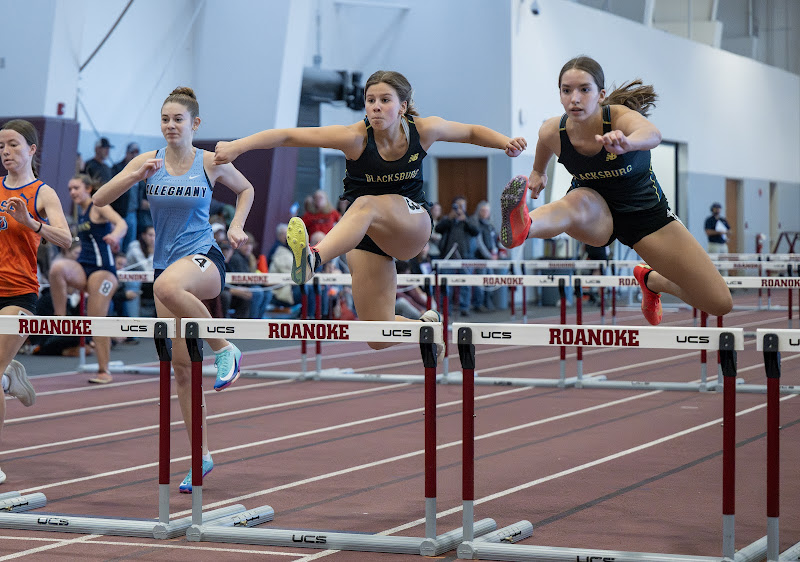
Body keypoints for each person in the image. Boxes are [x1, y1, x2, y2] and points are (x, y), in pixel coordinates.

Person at [215, 69, 526, 352]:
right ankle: (425, 329)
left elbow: (469, 132)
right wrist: (237, 146)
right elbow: (288, 136)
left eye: (385, 100)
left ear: (403, 106)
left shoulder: (424, 130)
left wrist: (505, 143)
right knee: (378, 335)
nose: (376, 106)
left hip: (412, 224)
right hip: (366, 234)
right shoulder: (353, 137)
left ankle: (314, 259)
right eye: (370, 100)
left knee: (365, 203)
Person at [93, 87, 255, 493]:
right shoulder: (147, 162)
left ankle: (225, 348)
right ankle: (200, 455)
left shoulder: (210, 161)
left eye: (178, 119)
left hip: (204, 262)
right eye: (165, 119)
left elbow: (246, 189)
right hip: (168, 269)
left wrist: (235, 226)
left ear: (194, 124)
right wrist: (133, 175)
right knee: (182, 370)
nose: (170, 125)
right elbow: (98, 200)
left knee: (165, 286)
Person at [499, 55, 732, 325]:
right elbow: (543, 144)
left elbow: (653, 134)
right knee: (574, 203)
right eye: (566, 90)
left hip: (646, 217)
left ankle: (652, 280)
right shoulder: (553, 130)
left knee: (719, 302)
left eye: (584, 89)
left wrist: (628, 143)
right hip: (595, 212)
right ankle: (524, 226)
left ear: (600, 94)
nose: (574, 98)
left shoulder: (619, 118)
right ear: (560, 94)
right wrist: (539, 172)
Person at [0, 119, 72, 483]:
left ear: (31, 150)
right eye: (1, 146)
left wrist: (31, 222)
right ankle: (9, 373)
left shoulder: (42, 192)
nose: (6, 152)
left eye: (13, 144)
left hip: (21, 293)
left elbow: (66, 240)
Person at [49, 174, 127, 384]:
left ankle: (104, 370)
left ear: (88, 188)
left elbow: (122, 224)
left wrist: (115, 237)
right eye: (70, 189)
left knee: (95, 319)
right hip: (84, 267)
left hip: (104, 271)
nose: (72, 192)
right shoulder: (80, 212)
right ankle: (60, 317)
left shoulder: (98, 205)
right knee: (57, 268)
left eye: (76, 188)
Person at [436, 195, 480, 316]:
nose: (460, 208)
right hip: (448, 256)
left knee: (465, 283)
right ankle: (446, 307)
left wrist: (464, 220)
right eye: (458, 206)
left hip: (465, 255)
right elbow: (438, 229)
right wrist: (449, 219)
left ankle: (464, 307)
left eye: (462, 206)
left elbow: (476, 231)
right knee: (446, 283)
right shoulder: (448, 219)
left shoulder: (470, 219)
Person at [112, 142, 145, 252]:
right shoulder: (117, 168)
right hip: (119, 211)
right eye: (132, 153)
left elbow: (141, 190)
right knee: (118, 241)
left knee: (130, 244)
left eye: (136, 153)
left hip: (133, 212)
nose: (134, 156)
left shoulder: (141, 170)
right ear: (126, 153)